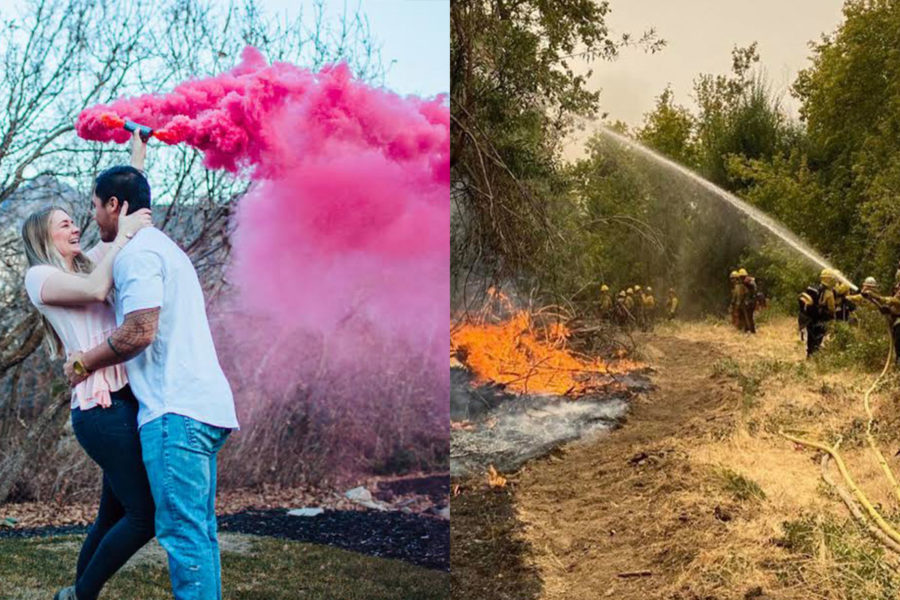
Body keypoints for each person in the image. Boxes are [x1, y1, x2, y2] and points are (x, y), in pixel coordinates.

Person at [63, 145, 239, 599]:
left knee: (184, 538)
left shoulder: (137, 254)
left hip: (173, 414)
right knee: (198, 535)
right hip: (203, 408)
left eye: (96, 205)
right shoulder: (163, 247)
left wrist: (83, 362)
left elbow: (139, 330)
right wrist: (137, 152)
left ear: (116, 207)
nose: (93, 215)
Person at [22, 132, 155, 600]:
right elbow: (100, 288)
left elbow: (118, 223)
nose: (75, 228)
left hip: (123, 401)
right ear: (44, 236)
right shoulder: (40, 278)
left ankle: (77, 595)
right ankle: (80, 595)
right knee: (145, 517)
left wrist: (136, 155)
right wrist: (123, 240)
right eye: (64, 225)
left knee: (113, 516)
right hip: (99, 409)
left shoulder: (84, 264)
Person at [798, 269, 837, 357]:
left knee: (811, 338)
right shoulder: (829, 293)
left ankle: (809, 355)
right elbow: (831, 309)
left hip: (810, 317)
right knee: (818, 337)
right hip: (820, 319)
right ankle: (815, 356)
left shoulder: (814, 288)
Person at [738, 268, 757, 334]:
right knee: (748, 316)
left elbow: (747, 293)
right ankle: (747, 330)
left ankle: (752, 331)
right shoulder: (751, 281)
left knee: (749, 317)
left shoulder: (747, 282)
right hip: (752, 301)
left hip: (750, 302)